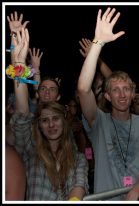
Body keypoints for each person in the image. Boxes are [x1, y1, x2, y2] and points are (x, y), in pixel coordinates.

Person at [77, 7, 139, 200]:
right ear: (107, 96)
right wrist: (97, 44)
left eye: (126, 89)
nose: (122, 94)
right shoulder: (98, 122)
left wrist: (134, 193)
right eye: (115, 90)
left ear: (132, 94)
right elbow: (83, 89)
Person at [9, 26, 88, 200]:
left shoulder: (75, 155)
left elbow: (79, 182)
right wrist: (20, 63)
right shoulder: (31, 147)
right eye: (45, 121)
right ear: (38, 124)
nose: (51, 124)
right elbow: (22, 111)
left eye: (55, 119)